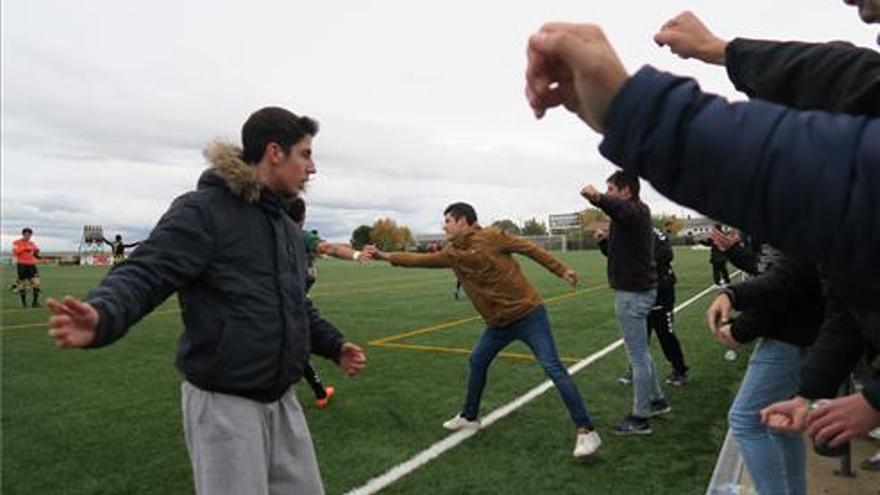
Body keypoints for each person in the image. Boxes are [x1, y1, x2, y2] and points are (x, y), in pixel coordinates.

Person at [523, 6, 880, 447]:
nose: (853, 7)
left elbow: (838, 194)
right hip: (687, 303)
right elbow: (848, 296)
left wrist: (634, 114)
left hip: (665, 301)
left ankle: (647, 405)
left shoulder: (631, 211)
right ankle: (655, 395)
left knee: (725, 407)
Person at [46, 106, 367, 495]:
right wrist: (103, 314)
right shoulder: (204, 211)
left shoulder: (284, 226)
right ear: (274, 152)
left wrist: (333, 345)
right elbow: (147, 270)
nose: (312, 168)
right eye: (305, 154)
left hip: (282, 397)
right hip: (225, 405)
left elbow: (294, 303)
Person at [649, 7, 880, 456]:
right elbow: (846, 309)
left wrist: (720, 51)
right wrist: (807, 394)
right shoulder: (828, 205)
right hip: (803, 340)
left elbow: (845, 75)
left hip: (790, 332)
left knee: (746, 422)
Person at [366, 202, 601, 458]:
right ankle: (469, 416)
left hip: (529, 315)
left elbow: (530, 249)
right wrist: (385, 256)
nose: (443, 226)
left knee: (552, 367)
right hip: (498, 324)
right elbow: (419, 259)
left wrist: (562, 269)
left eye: (448, 221)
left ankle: (586, 431)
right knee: (477, 360)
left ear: (464, 221)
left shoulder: (492, 237)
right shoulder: (452, 252)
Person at [706, 254, 824, 495]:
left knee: (746, 419)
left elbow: (788, 280)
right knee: (782, 424)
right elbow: (772, 270)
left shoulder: (798, 222)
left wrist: (741, 325)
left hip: (791, 338)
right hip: (803, 334)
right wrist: (735, 250)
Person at [581, 172, 669, 435]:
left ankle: (640, 417)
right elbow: (620, 252)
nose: (608, 193)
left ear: (627, 192)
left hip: (632, 295)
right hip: (636, 292)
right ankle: (657, 401)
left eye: (611, 189)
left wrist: (597, 198)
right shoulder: (628, 216)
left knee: (637, 356)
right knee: (642, 352)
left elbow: (617, 207)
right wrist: (604, 242)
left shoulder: (634, 211)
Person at [287, 196, 372, 409]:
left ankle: (319, 391)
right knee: (296, 344)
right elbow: (330, 248)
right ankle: (319, 391)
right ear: (302, 218)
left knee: (296, 343)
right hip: (291, 304)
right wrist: (355, 255)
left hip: (292, 304)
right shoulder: (297, 235)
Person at [598, 227, 689, 387]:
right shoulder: (624, 231)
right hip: (638, 291)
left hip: (660, 290)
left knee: (665, 333)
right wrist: (603, 242)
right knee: (638, 334)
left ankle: (679, 369)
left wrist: (639, 261)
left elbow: (666, 253)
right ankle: (636, 369)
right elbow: (615, 255)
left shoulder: (652, 231)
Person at [12, 227, 42, 308]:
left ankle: (35, 303)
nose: (28, 236)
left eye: (29, 235)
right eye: (26, 234)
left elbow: (36, 252)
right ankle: (24, 304)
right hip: (22, 265)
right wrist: (25, 248)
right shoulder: (16, 242)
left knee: (37, 284)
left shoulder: (32, 243)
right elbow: (15, 252)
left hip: (32, 265)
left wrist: (38, 255)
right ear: (23, 234)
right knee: (23, 284)